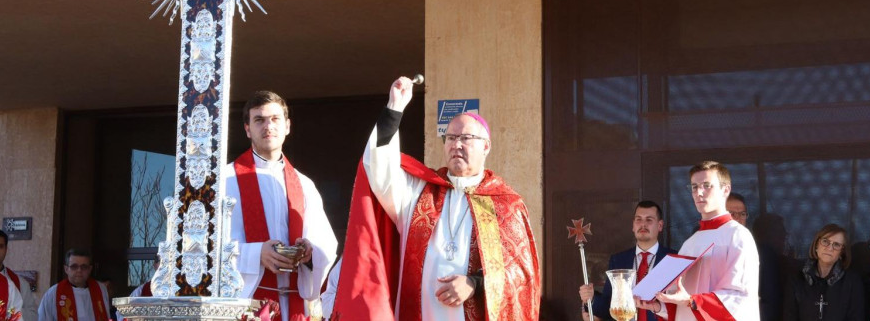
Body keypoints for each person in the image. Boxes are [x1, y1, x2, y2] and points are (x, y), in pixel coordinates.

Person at [331, 77, 541, 320]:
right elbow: (378, 168)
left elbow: (522, 273)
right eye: (450, 138)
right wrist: (394, 108)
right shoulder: (420, 192)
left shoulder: (505, 203)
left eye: (466, 138)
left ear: (486, 147)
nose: (456, 145)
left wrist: (475, 283)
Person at [220, 91, 338, 320]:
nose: (268, 126)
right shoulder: (223, 181)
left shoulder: (304, 185)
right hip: (244, 304)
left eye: (275, 119)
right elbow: (203, 248)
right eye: (259, 120)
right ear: (247, 129)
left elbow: (326, 244)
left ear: (287, 126)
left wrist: (308, 253)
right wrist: (256, 254)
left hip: (294, 305)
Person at [637, 160, 759, 320]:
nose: (698, 192)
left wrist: (690, 301)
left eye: (706, 185)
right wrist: (659, 306)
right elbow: (679, 302)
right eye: (694, 187)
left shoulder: (738, 236)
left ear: (725, 190)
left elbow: (739, 298)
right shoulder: (690, 243)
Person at [577, 201, 674, 321]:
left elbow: (679, 307)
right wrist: (591, 299)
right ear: (633, 225)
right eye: (638, 219)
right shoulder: (618, 260)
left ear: (660, 225)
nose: (643, 224)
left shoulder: (673, 259)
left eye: (649, 220)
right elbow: (608, 307)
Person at [783, 224, 865, 321]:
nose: (830, 248)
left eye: (836, 245)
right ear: (817, 245)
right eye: (825, 241)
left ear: (841, 253)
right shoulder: (797, 279)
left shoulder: (852, 282)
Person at [37, 249, 110, 321]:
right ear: (66, 269)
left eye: (84, 267)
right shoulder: (53, 293)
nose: (79, 270)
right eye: (74, 266)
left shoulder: (100, 289)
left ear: (90, 269)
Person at [0, 229, 38, 321]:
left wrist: (9, 310)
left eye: (0, 246)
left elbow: (33, 316)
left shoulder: (20, 283)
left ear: (6, 249)